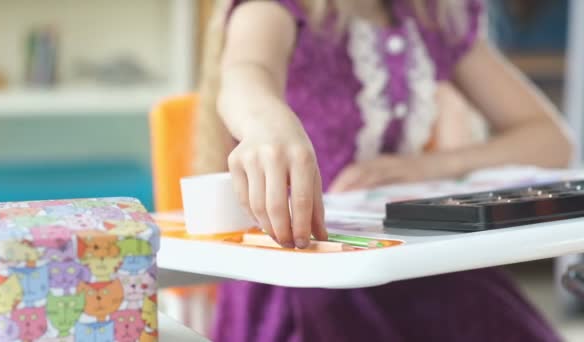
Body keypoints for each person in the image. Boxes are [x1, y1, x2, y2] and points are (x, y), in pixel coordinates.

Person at [194, 0, 573, 340]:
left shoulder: (434, 16)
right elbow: (247, 73)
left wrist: (425, 167)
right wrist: (267, 127)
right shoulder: (276, 10)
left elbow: (551, 140)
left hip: (419, 265)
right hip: (306, 272)